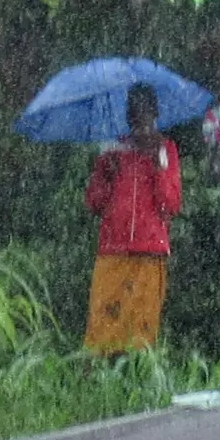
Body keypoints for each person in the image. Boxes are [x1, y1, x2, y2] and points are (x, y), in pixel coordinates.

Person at [82, 84, 182, 355]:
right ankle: (101, 381)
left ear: (155, 115)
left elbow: (170, 204)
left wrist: (157, 165)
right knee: (103, 327)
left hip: (150, 251)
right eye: (135, 115)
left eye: (146, 115)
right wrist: (106, 174)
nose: (141, 123)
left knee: (141, 331)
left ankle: (136, 379)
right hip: (113, 250)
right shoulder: (113, 151)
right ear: (128, 118)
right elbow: (93, 203)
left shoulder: (166, 150)